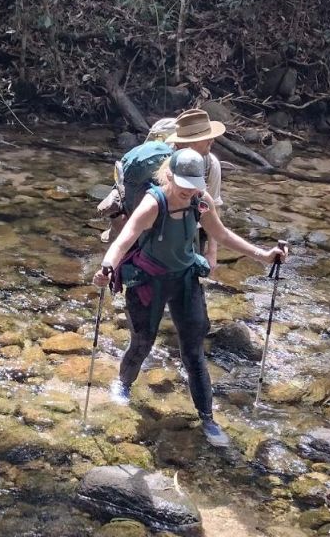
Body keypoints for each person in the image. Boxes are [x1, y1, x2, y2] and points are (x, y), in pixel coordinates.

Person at [91, 149, 286, 447]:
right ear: (168, 176)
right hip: (149, 281)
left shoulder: (201, 202)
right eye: (183, 186)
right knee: (143, 342)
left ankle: (207, 418)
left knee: (194, 351)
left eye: (194, 186)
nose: (189, 192)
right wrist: (107, 268)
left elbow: (221, 235)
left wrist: (263, 255)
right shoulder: (152, 204)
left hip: (185, 280)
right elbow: (124, 239)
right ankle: (124, 384)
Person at [164, 108, 226, 268]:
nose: (212, 141)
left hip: (194, 228)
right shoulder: (164, 163)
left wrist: (212, 253)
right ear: (186, 144)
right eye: (206, 138)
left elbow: (214, 209)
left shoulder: (212, 165)